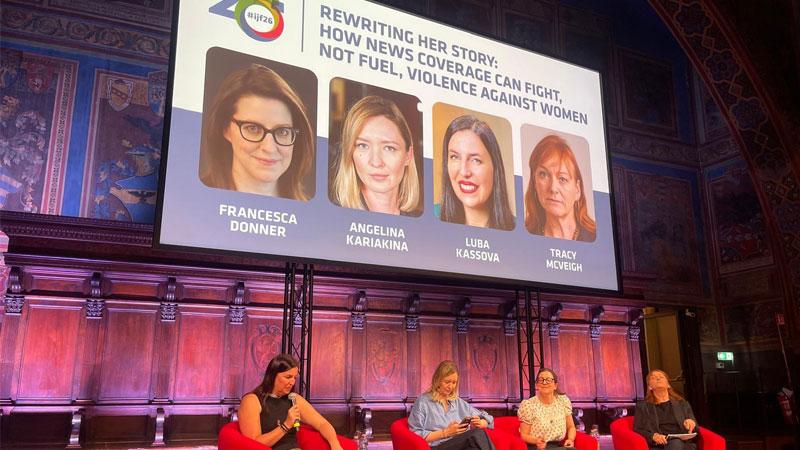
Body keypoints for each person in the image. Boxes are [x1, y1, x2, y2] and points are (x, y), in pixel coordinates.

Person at [200, 63, 314, 200]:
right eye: (253, 129)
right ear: (226, 129)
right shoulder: (195, 200)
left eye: (282, 132)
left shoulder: (309, 209)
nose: (269, 148)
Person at [332, 95, 420, 215]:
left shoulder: (421, 222)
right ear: (350, 153)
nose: (376, 162)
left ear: (408, 156)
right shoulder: (333, 217)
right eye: (363, 146)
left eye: (389, 148)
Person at [239, 354, 344, 450]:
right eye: (288, 377)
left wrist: (335, 444)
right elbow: (253, 444)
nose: (292, 382)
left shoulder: (293, 399)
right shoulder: (252, 400)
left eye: (294, 378)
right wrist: (286, 425)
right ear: (272, 376)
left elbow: (322, 424)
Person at [438, 115, 514, 230]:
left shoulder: (517, 228)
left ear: (495, 168)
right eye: (455, 157)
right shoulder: (433, 217)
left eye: (476, 160)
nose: (464, 172)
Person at [408, 360, 496, 449]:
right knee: (478, 433)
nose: (450, 387)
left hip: (456, 445)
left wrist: (480, 423)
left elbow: (489, 419)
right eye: (447, 382)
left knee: (475, 447)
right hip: (435, 447)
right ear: (437, 380)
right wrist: (446, 432)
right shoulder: (423, 402)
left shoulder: (457, 402)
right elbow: (416, 434)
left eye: (454, 382)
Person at [524, 135, 596, 241]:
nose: (553, 188)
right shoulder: (525, 237)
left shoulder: (595, 237)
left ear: (577, 190)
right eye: (543, 174)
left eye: (562, 179)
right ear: (534, 183)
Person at [633, 370, 698, 450]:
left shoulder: (682, 403)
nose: (658, 379)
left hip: (683, 443)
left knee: (676, 443)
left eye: (661, 377)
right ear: (650, 387)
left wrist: (691, 423)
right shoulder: (643, 406)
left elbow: (696, 429)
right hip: (659, 445)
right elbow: (638, 429)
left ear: (668, 385)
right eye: (653, 378)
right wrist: (653, 436)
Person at [517, 368, 577, 450]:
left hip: (558, 447)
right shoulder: (529, 405)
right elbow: (524, 435)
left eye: (548, 380)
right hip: (536, 447)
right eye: (541, 380)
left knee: (571, 449)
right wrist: (537, 441)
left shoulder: (563, 401)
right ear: (537, 385)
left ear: (555, 385)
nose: (544, 382)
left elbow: (571, 427)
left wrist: (570, 439)